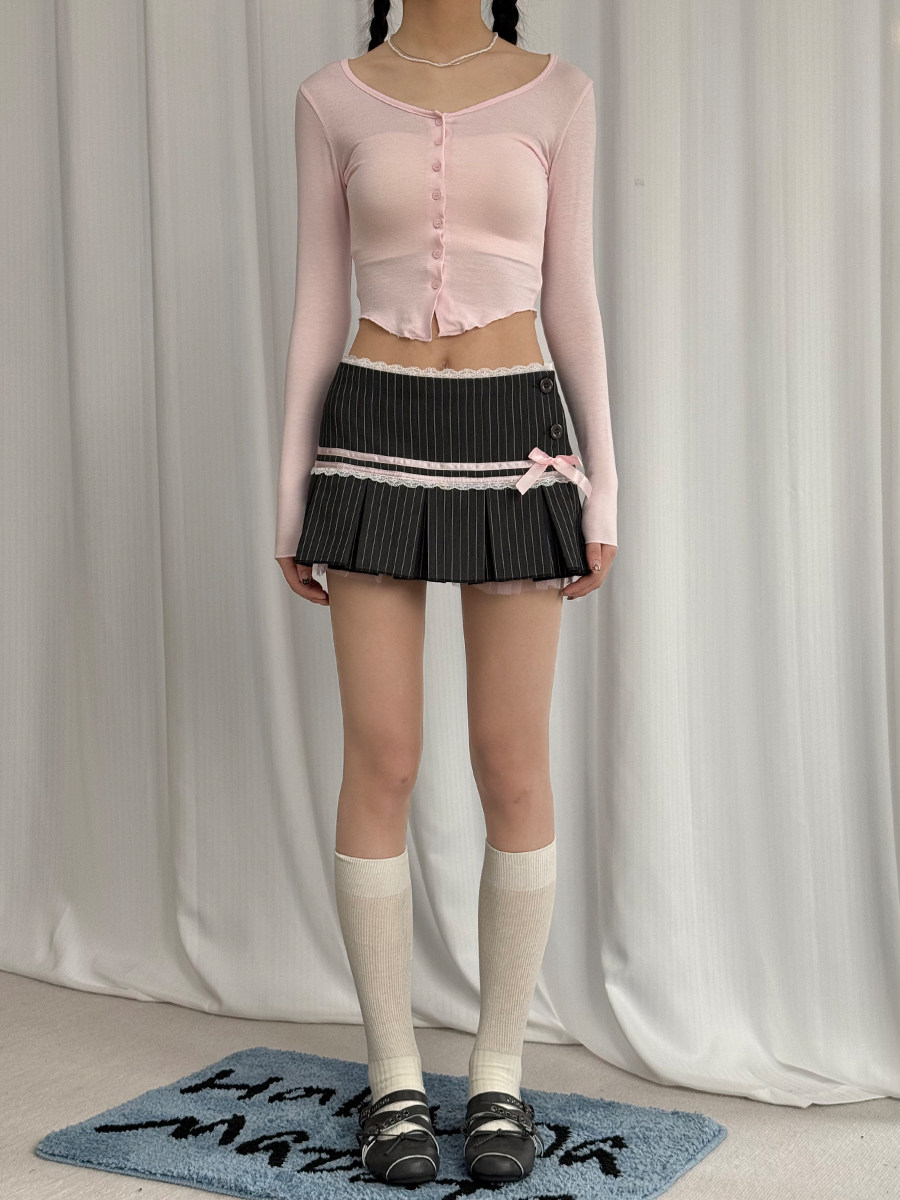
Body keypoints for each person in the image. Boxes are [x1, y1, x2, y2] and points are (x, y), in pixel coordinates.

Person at [274, 0, 617, 1187]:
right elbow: (317, 303)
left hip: (518, 432)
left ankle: (499, 1075)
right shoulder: (331, 98)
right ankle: (393, 1079)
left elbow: (573, 299)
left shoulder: (560, 92)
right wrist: (289, 497)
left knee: (511, 760)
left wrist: (605, 490)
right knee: (383, 758)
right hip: (370, 428)